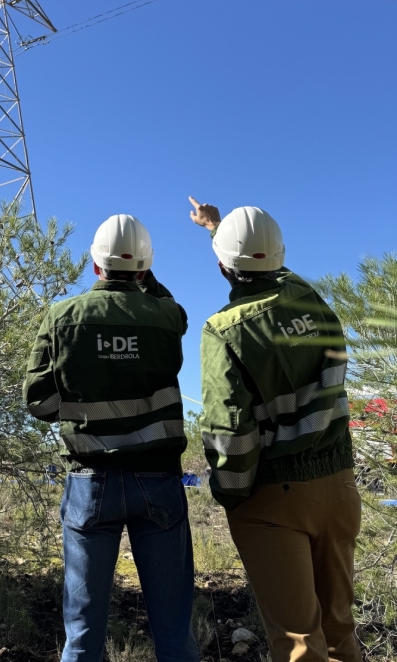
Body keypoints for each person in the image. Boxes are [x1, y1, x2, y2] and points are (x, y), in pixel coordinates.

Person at [190, 197, 361, 662]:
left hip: (274, 498)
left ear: (223, 266)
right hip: (339, 486)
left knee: (299, 645)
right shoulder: (314, 301)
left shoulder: (224, 330)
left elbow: (229, 431)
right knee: (340, 631)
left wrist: (233, 495)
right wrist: (219, 227)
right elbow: (270, 267)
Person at [24, 214, 199, 662]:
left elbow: (38, 404)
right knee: (175, 632)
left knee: (82, 635)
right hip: (158, 483)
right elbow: (172, 310)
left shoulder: (62, 317)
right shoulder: (165, 315)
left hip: (90, 483)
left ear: (95, 265)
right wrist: (144, 277)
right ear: (144, 269)